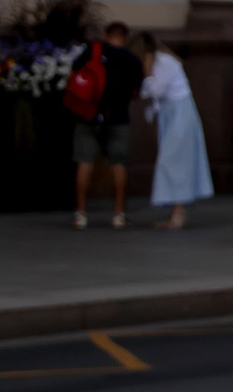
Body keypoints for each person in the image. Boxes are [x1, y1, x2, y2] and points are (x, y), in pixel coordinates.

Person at [68, 18, 146, 232]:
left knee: (85, 162)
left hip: (88, 115)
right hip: (119, 118)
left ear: (106, 35)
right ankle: (119, 215)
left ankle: (81, 214)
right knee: (118, 164)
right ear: (125, 38)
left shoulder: (93, 50)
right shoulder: (132, 60)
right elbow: (138, 90)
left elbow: (75, 72)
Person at [136, 31, 214, 228]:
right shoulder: (161, 62)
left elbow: (154, 90)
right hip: (170, 114)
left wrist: (147, 73)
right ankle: (175, 210)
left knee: (173, 161)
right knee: (172, 160)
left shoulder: (165, 62)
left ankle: (178, 212)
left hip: (180, 113)